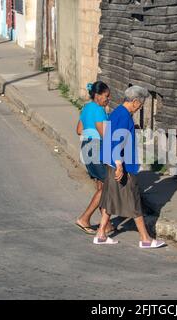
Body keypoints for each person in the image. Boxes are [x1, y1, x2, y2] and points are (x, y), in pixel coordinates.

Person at [94, 86, 166, 249]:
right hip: (122, 166)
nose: (140, 108)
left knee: (110, 198)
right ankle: (145, 239)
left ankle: (101, 234)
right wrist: (119, 165)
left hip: (112, 163)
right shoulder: (124, 116)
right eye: (140, 105)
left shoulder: (117, 112)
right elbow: (116, 142)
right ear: (134, 102)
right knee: (134, 201)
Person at [75, 81, 115, 235]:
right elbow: (104, 134)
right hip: (97, 149)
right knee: (107, 186)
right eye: (106, 96)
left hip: (86, 148)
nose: (108, 98)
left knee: (100, 185)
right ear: (98, 96)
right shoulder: (99, 110)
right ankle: (84, 219)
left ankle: (107, 224)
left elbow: (79, 130)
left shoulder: (86, 108)